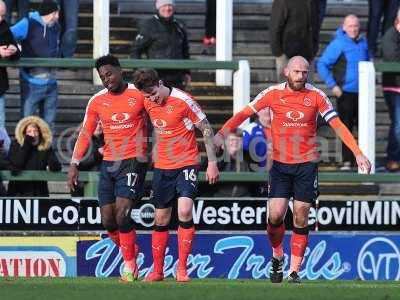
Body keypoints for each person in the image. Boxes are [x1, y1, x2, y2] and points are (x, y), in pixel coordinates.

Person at [214, 56, 371, 283]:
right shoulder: (272, 93)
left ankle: (294, 271)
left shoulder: (316, 96)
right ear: (286, 71)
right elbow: (244, 114)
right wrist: (222, 132)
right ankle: (277, 256)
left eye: (304, 73)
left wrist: (357, 152)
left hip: (306, 165)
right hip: (279, 164)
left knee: (300, 216)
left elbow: (338, 125)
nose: (300, 76)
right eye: (296, 72)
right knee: (276, 215)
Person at [132, 68, 219, 282]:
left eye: (154, 93)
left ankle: (182, 269)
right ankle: (158, 271)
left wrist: (212, 163)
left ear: (160, 83)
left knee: (185, 209)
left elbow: (206, 128)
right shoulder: (146, 100)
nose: (152, 99)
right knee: (160, 217)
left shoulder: (183, 100)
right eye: (147, 96)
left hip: (187, 163)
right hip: (163, 166)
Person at [68, 54, 148, 282]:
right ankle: (131, 252)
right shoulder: (96, 101)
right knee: (108, 220)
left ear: (120, 70)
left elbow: (158, 114)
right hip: (109, 163)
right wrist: (74, 164)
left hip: (134, 160)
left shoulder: (138, 93)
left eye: (109, 74)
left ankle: (129, 267)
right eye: (102, 77)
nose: (106, 80)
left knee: (123, 214)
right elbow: (85, 133)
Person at [317, 14, 369, 171]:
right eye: (350, 26)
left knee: (364, 128)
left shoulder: (364, 43)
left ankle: (362, 160)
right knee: (345, 127)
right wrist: (333, 86)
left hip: (364, 94)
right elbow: (322, 64)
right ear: (344, 27)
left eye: (356, 26)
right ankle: (347, 161)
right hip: (345, 93)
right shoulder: (338, 43)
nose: (353, 29)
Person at [10, 0, 61, 132]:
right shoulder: (28, 22)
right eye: (55, 13)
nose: (57, 16)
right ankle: (24, 151)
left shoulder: (56, 26)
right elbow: (7, 35)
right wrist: (15, 47)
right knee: (26, 123)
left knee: (48, 125)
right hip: (31, 83)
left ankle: (46, 151)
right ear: (47, 12)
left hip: (51, 83)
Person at [131, 0, 191, 90]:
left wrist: (187, 72)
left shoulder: (179, 25)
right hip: (156, 77)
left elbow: (185, 50)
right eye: (164, 5)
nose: (167, 8)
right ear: (158, 7)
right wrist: (139, 72)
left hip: (177, 77)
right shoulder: (148, 26)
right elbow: (136, 50)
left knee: (176, 103)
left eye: (169, 5)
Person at [7, 116, 61, 197]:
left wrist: (52, 163)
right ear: (24, 134)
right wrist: (27, 144)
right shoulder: (16, 145)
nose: (33, 134)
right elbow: (16, 165)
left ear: (40, 133)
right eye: (29, 132)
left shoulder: (45, 147)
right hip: (18, 194)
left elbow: (56, 166)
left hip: (39, 194)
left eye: (36, 131)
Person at [270, 0, 320, 82]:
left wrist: (313, 50)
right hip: (286, 55)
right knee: (286, 91)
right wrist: (279, 53)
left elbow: (315, 25)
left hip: (308, 55)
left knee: (308, 91)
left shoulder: (313, 2)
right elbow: (275, 27)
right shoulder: (283, 2)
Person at [382, 8, 400, 171]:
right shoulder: (390, 35)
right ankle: (393, 158)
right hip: (394, 87)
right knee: (398, 124)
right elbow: (391, 57)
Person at [0, 0, 20, 129]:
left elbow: (16, 50)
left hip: (0, 85)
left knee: (0, 127)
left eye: (2, 15)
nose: (1, 19)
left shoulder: (4, 26)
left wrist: (13, 50)